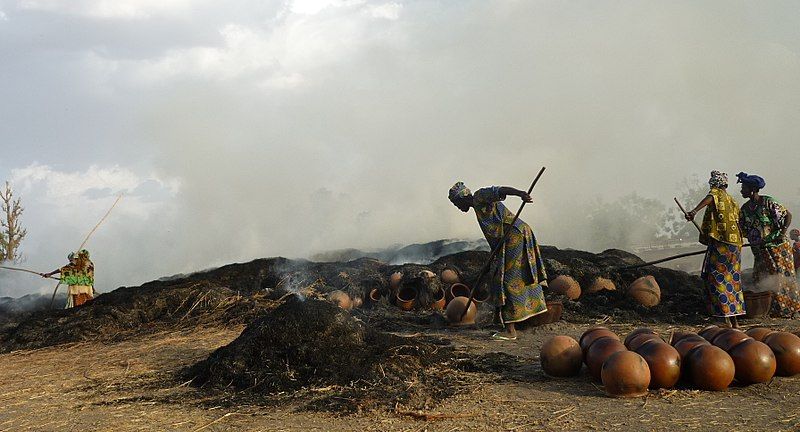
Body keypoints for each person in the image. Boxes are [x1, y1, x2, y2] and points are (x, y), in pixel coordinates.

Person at [448, 182, 548, 340]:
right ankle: (516, 321)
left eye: (456, 203)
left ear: (460, 199)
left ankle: (510, 331)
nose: (457, 207)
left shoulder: (479, 196)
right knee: (504, 277)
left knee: (506, 280)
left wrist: (520, 192)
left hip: (514, 236)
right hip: (511, 237)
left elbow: (500, 190)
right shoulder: (477, 206)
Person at [685, 171, 745, 328]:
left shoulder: (716, 193)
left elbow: (711, 197)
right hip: (735, 245)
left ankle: (722, 318)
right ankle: (734, 321)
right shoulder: (733, 201)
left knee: (716, 278)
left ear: (716, 184)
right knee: (732, 280)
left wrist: (694, 211)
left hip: (722, 243)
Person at [737, 172, 799, 318]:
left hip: (778, 248)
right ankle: (769, 309)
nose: (742, 190)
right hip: (759, 250)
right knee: (762, 277)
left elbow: (787, 215)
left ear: (752, 189)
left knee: (781, 277)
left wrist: (782, 232)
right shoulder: (745, 209)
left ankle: (789, 309)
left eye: (744, 187)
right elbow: (742, 228)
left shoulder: (768, 202)